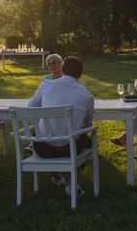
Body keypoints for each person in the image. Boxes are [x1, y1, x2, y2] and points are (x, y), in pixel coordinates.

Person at [28, 56, 94, 196]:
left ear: (62, 69)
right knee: (86, 140)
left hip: (42, 148)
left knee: (43, 132)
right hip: (69, 149)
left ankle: (57, 177)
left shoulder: (46, 84)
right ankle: (72, 183)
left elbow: (31, 107)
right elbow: (87, 124)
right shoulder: (87, 96)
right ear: (80, 75)